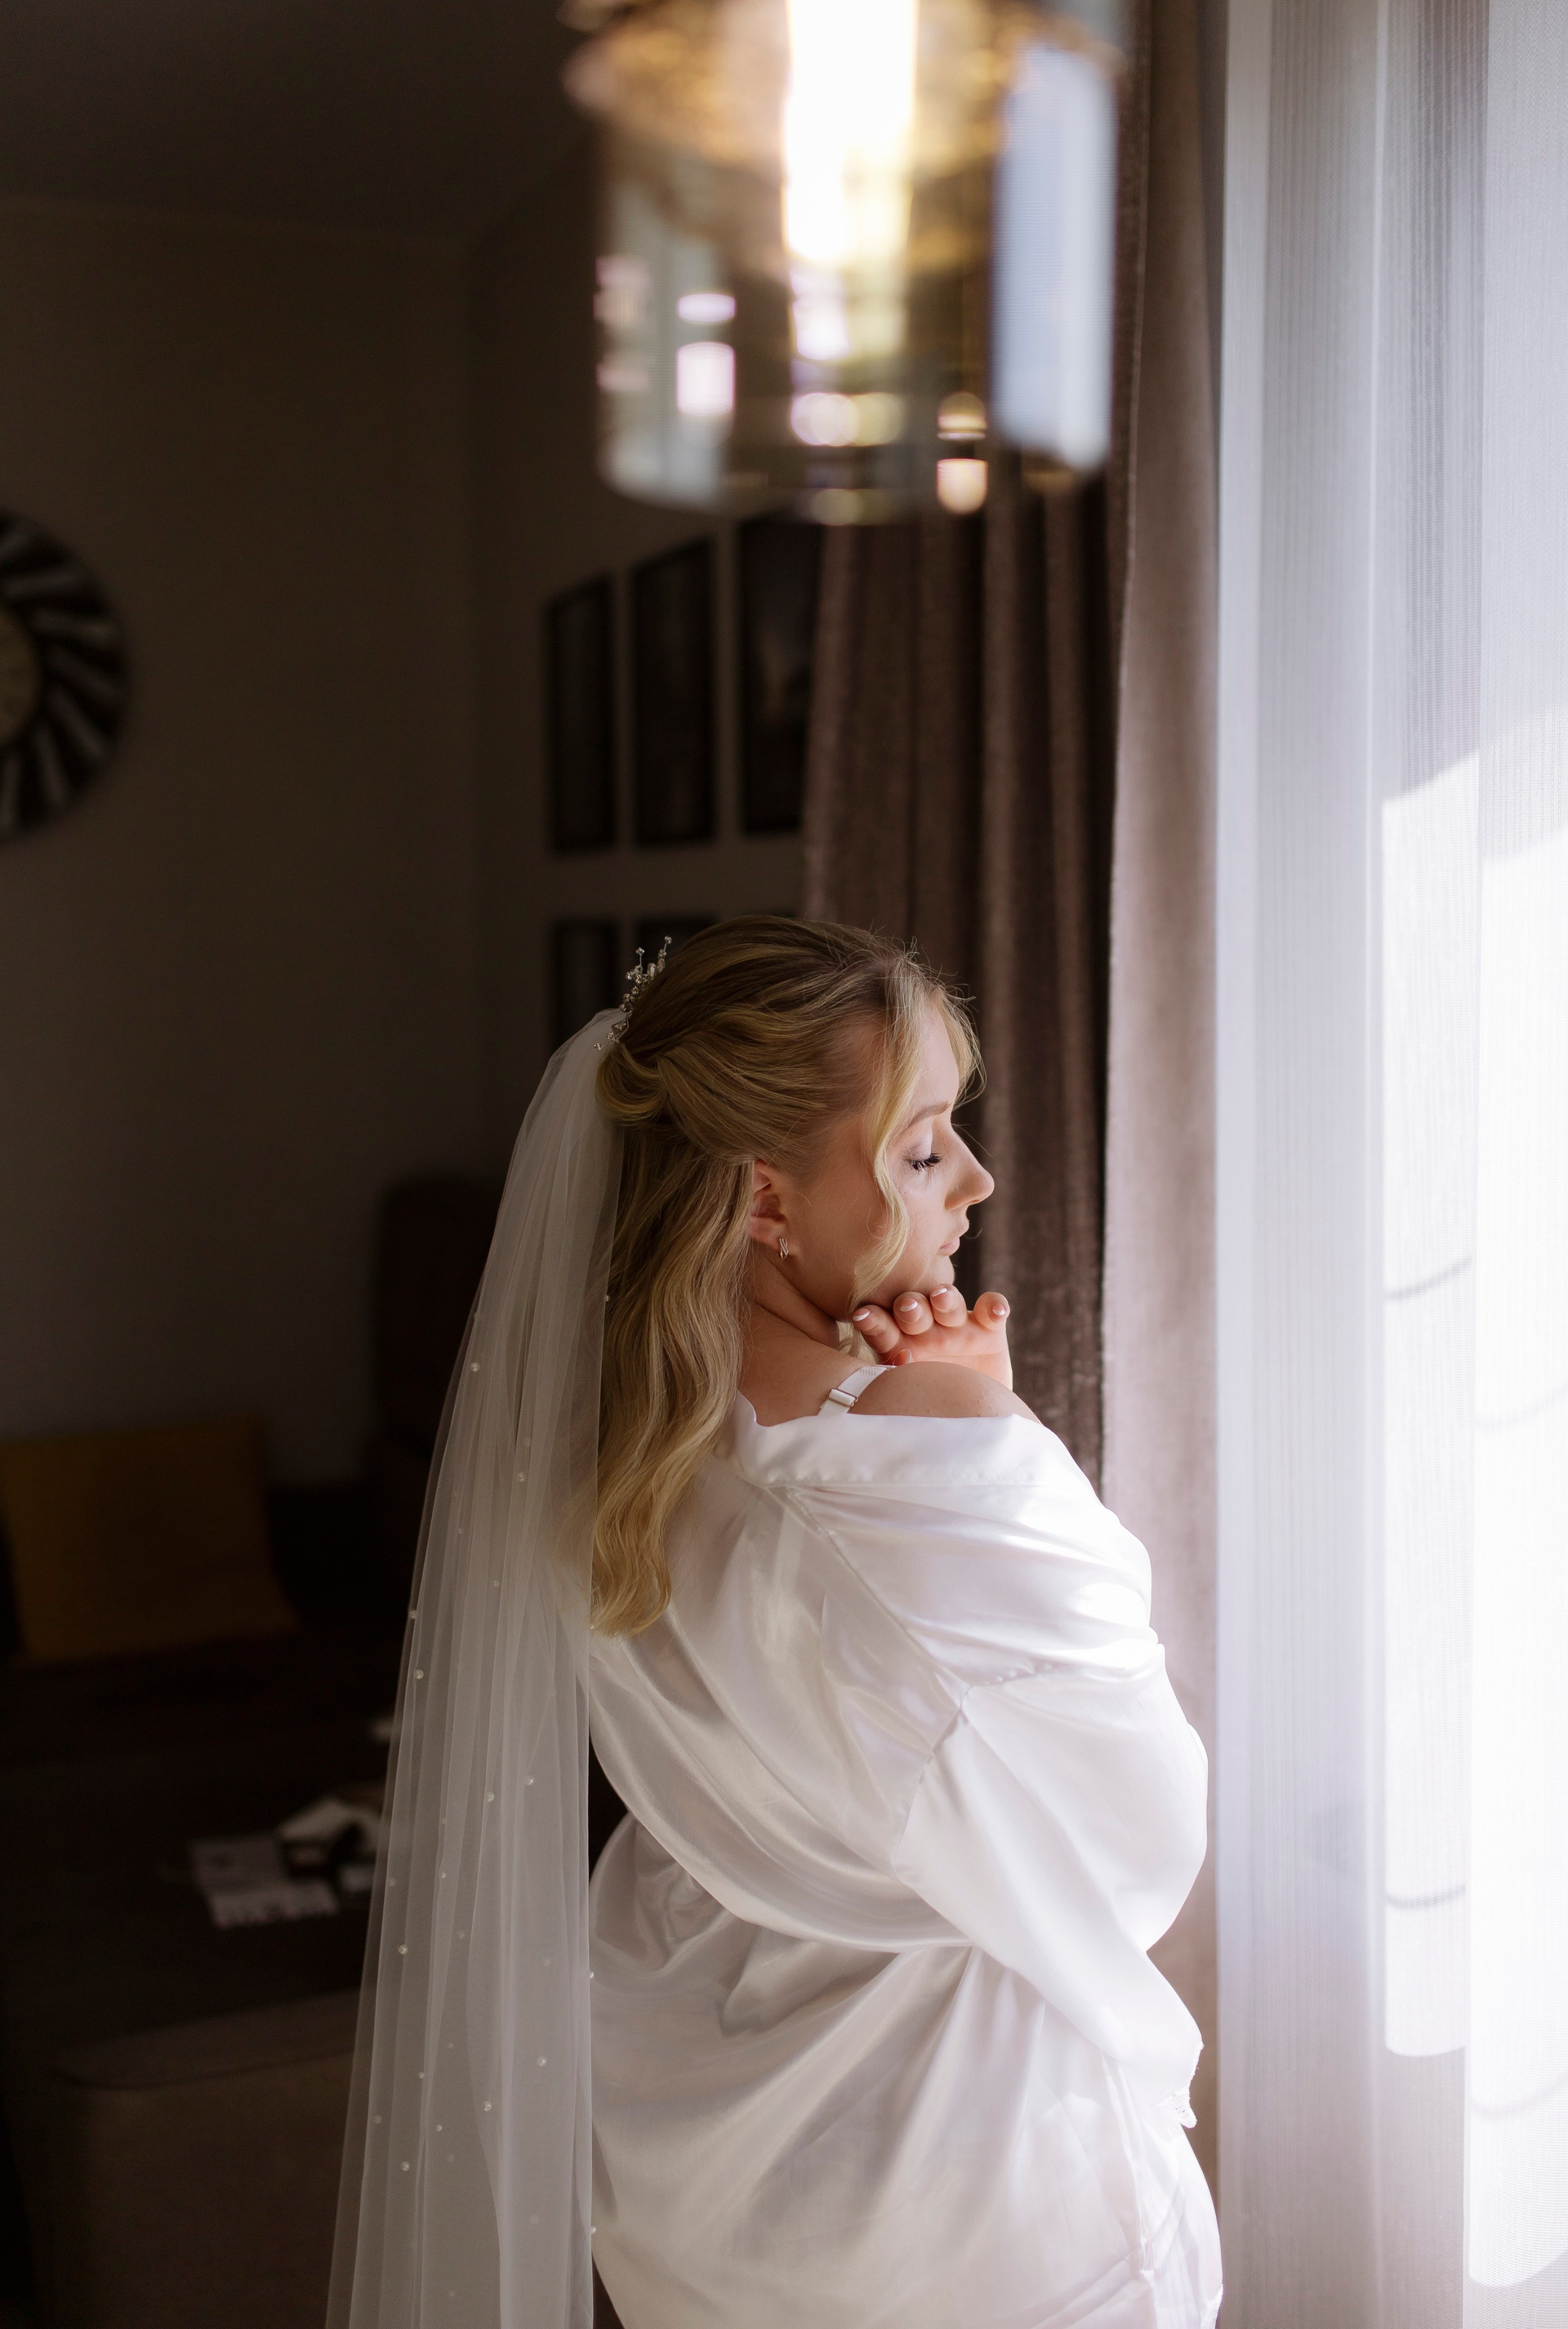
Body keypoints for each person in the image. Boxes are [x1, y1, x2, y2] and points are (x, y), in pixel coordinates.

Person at [330, 917, 1220, 2329]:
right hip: (963, 2203)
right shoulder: (908, 1477)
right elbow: (1140, 1841)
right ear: (765, 1198)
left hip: (705, 2178)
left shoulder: (601, 1454)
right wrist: (989, 1424)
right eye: (922, 1152)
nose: (976, 1180)